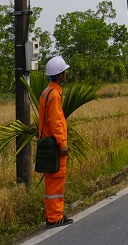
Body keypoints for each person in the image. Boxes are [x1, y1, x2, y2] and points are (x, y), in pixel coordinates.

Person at [39, 56, 73, 228]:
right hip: (53, 144)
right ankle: (54, 218)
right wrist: (62, 143)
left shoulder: (47, 92)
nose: (65, 74)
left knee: (51, 181)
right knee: (56, 181)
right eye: (64, 72)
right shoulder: (54, 94)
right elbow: (56, 122)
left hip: (47, 143)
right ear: (60, 75)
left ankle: (54, 215)